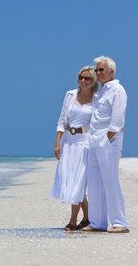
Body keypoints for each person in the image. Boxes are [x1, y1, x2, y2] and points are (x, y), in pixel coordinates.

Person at [82, 55, 130, 233]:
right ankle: (97, 223)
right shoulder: (102, 91)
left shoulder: (117, 90)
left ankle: (120, 223)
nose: (98, 73)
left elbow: (117, 121)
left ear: (111, 71)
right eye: (96, 70)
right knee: (94, 183)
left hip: (107, 142)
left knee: (110, 182)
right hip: (93, 141)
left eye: (101, 69)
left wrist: (105, 141)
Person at [50, 66, 98, 231]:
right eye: (81, 78)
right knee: (70, 180)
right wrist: (57, 143)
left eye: (88, 78)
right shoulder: (70, 95)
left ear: (94, 81)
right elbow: (62, 120)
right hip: (68, 143)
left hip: (85, 144)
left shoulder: (97, 98)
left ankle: (72, 220)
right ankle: (87, 217)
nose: (83, 81)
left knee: (77, 183)